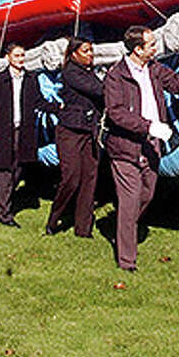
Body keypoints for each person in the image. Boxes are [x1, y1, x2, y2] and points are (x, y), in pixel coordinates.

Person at [104, 25, 179, 271]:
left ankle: (123, 226)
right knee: (130, 199)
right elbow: (116, 113)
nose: (156, 48)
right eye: (151, 44)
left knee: (147, 194)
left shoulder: (154, 69)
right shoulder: (116, 75)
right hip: (125, 146)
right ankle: (127, 260)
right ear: (138, 49)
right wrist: (148, 126)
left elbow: (175, 85)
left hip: (151, 144)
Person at [0, 42, 55, 227]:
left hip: (23, 131)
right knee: (4, 171)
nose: (21, 59)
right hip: (2, 132)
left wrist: (59, 107)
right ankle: (4, 212)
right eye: (17, 56)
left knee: (19, 168)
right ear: (8, 57)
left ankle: (4, 198)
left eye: (23, 55)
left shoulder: (30, 78)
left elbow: (39, 101)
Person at [45, 37, 105, 237]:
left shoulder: (89, 73)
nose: (90, 55)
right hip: (70, 131)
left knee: (90, 178)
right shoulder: (71, 73)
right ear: (73, 54)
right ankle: (54, 219)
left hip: (89, 131)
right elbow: (98, 90)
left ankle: (83, 228)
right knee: (71, 177)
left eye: (91, 51)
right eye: (86, 51)